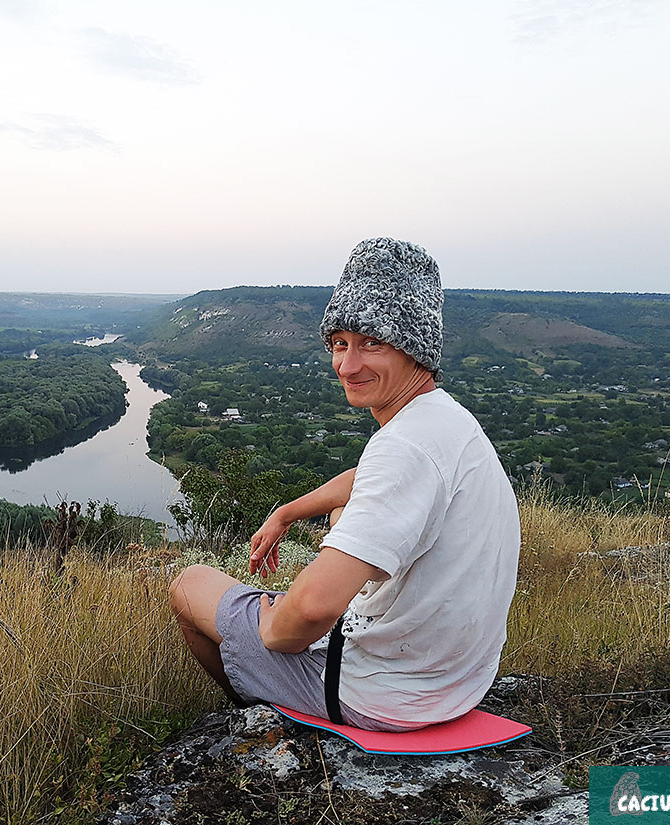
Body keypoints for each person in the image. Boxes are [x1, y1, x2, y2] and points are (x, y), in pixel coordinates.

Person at [168, 237, 520, 731]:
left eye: (372, 343)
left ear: (415, 348)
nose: (347, 366)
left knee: (190, 585)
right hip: (453, 683)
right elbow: (367, 482)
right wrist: (287, 511)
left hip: (382, 695)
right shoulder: (446, 421)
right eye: (340, 343)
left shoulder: (404, 447)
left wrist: (275, 628)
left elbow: (312, 607)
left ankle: (265, 715)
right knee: (340, 519)